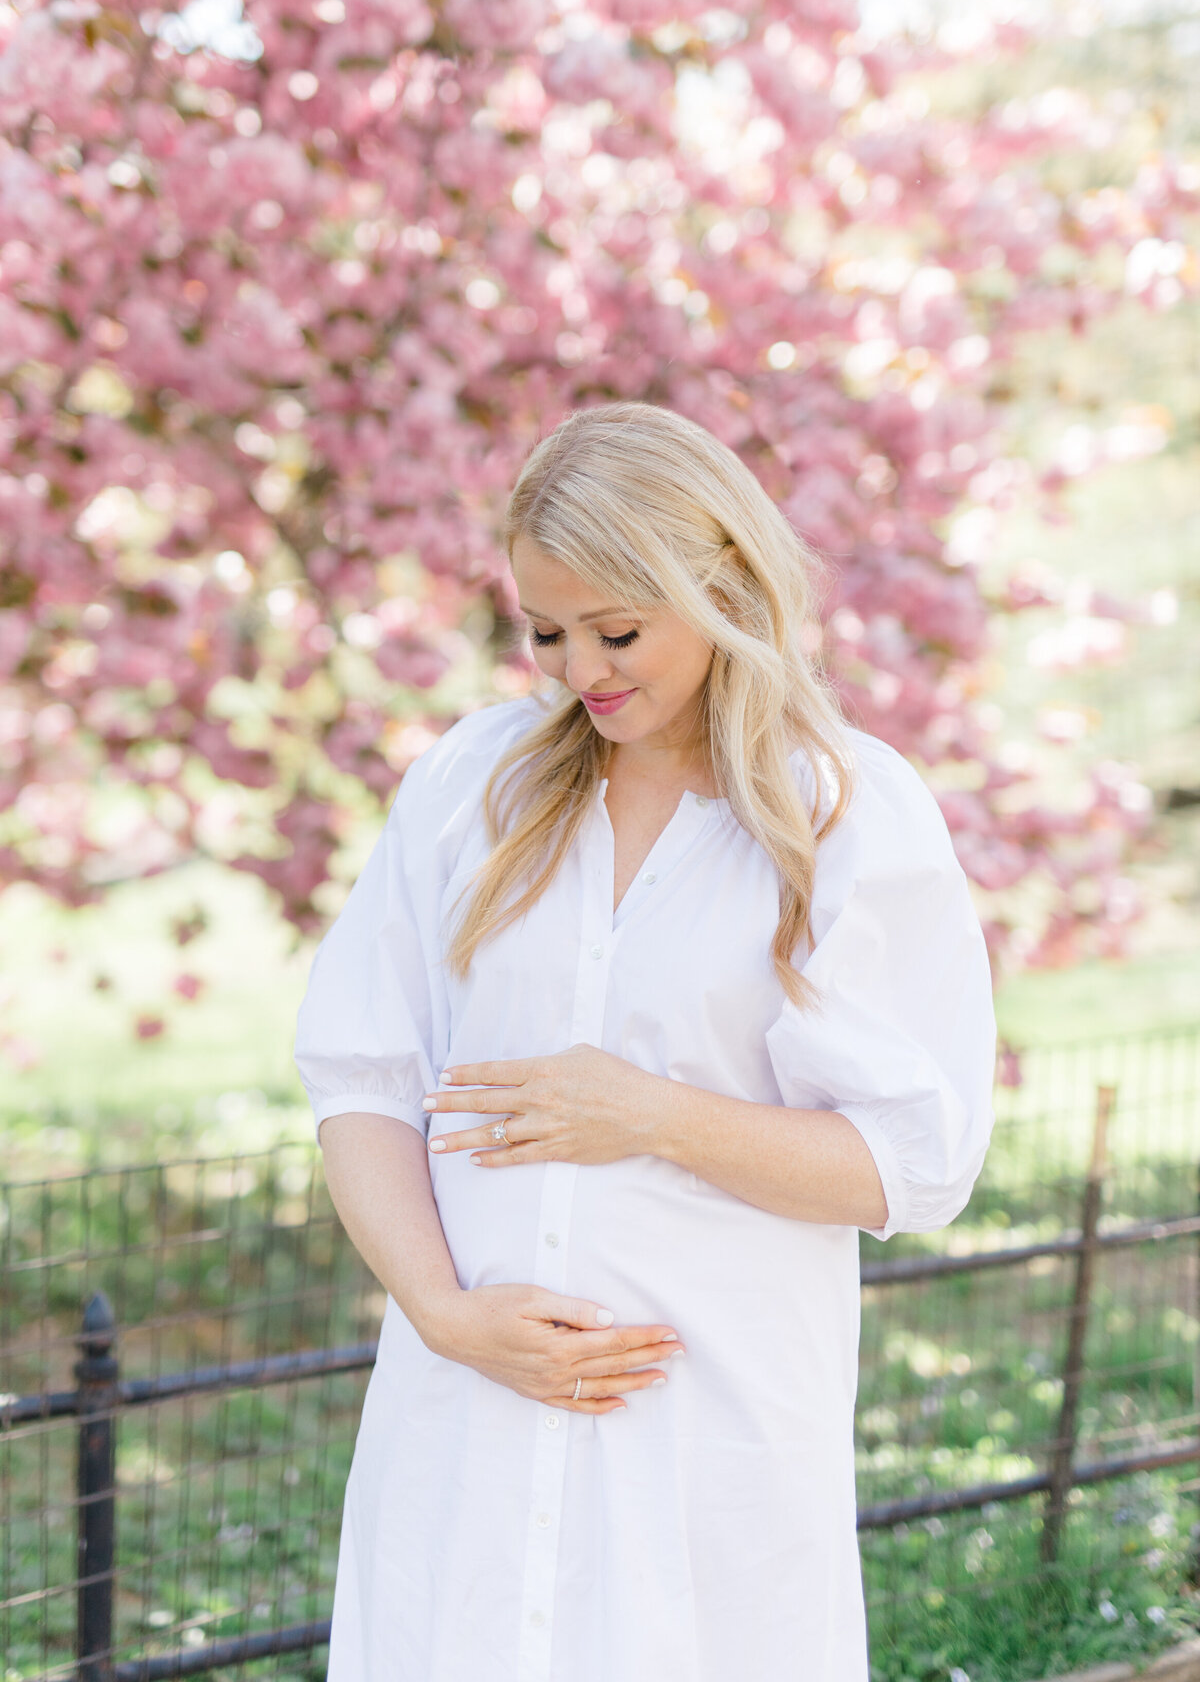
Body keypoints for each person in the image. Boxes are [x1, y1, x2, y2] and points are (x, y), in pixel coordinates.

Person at [293, 401, 997, 1682]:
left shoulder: (842, 812)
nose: (581, 670)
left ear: (722, 582)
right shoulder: (474, 787)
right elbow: (362, 1076)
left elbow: (914, 1164)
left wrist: (652, 1112)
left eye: (618, 631)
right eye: (546, 632)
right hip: (467, 1417)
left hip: (706, 1441)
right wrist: (446, 1315)